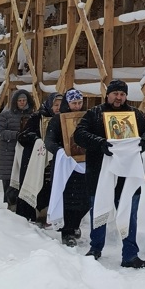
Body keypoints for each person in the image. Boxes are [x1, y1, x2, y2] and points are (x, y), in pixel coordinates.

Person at [73, 79, 145, 267]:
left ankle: (130, 255)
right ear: (108, 94)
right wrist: (100, 143)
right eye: (115, 93)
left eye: (122, 94)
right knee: (99, 210)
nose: (119, 97)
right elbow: (79, 134)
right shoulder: (94, 114)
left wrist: (143, 143)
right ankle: (95, 248)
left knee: (129, 214)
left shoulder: (135, 115)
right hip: (99, 174)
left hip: (128, 176)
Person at [45, 89, 89, 247]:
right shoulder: (58, 120)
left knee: (84, 199)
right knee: (68, 200)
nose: (77, 106)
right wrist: (60, 151)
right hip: (65, 165)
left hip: (84, 164)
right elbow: (49, 141)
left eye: (79, 103)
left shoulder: (87, 117)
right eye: (73, 103)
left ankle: (75, 224)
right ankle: (67, 231)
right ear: (67, 103)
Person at [15, 92, 62, 223]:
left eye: (61, 105)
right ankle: (29, 215)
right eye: (55, 105)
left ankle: (47, 214)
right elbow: (22, 136)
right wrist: (36, 140)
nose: (58, 108)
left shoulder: (64, 118)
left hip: (54, 161)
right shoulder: (37, 117)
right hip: (34, 161)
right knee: (35, 186)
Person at [0, 89, 35, 206]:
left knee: (23, 179)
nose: (22, 103)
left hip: (25, 151)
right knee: (9, 181)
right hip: (8, 152)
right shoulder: (5, 115)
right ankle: (10, 204)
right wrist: (16, 135)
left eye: (24, 100)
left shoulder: (32, 115)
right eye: (19, 100)